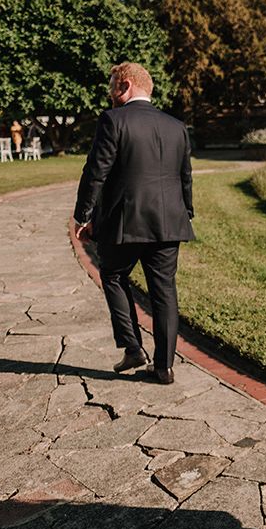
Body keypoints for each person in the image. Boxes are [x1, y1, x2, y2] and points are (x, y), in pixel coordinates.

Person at [73, 62, 194, 384]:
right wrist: (187, 211)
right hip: (169, 223)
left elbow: (95, 173)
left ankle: (132, 348)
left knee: (112, 275)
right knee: (164, 291)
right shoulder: (176, 126)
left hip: (123, 223)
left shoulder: (113, 119)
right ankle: (164, 366)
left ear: (125, 85)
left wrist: (83, 216)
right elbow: (185, 178)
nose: (110, 93)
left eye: (112, 85)